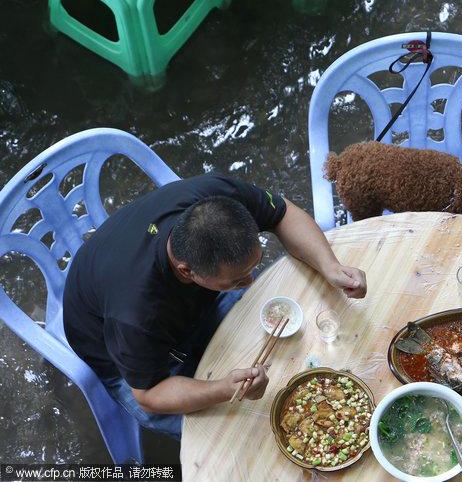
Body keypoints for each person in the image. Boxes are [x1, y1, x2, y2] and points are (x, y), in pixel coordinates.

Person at [63, 173, 367, 440]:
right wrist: (223, 389)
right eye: (235, 281)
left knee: (290, 356)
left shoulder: (215, 197)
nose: (249, 282)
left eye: (253, 267)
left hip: (181, 302)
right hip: (122, 355)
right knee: (238, 434)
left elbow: (282, 212)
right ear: (187, 272)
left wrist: (330, 266)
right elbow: (149, 393)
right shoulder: (136, 314)